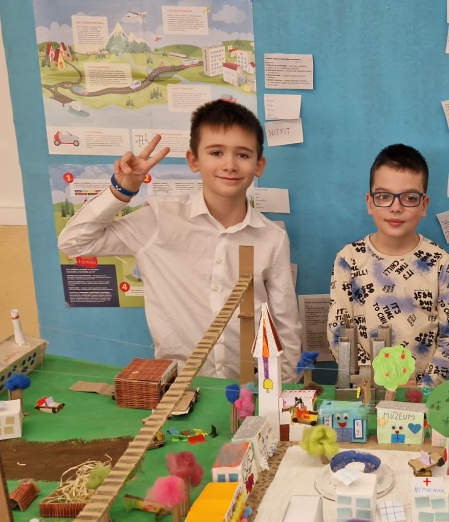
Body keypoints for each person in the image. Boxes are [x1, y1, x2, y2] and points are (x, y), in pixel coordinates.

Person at [58, 99, 302, 383]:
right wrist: (121, 191)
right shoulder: (159, 220)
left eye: (243, 155)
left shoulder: (272, 238)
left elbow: (285, 324)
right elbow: (74, 243)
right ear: (193, 161)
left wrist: (285, 391)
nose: (229, 165)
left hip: (250, 386)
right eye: (216, 152)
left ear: (259, 165)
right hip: (178, 385)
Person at [327, 144, 449, 387]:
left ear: (424, 205)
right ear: (370, 203)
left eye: (410, 198)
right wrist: (373, 381)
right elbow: (338, 330)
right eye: (383, 196)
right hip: (366, 391)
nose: (395, 207)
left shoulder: (440, 262)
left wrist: (424, 387)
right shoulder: (348, 259)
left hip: (420, 395)